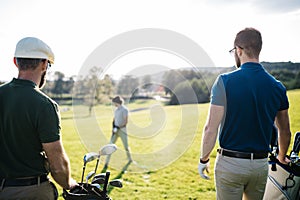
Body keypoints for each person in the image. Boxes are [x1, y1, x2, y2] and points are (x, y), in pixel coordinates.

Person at [198, 28, 291, 200]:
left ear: (238, 50)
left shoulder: (224, 81)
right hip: (260, 165)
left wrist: (203, 160)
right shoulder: (277, 87)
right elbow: (285, 131)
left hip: (230, 164)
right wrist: (281, 156)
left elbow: (210, 129)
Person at [0, 37, 77, 199]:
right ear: (44, 64)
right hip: (30, 191)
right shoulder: (44, 104)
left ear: (15, 62)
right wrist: (68, 183)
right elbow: (57, 165)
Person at [104, 96, 133, 168]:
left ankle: (130, 159)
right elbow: (114, 119)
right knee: (110, 146)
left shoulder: (125, 110)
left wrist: (119, 127)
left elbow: (126, 121)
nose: (114, 104)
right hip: (115, 131)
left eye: (114, 103)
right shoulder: (116, 110)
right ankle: (106, 163)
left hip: (122, 130)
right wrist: (113, 128)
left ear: (117, 102)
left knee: (126, 146)